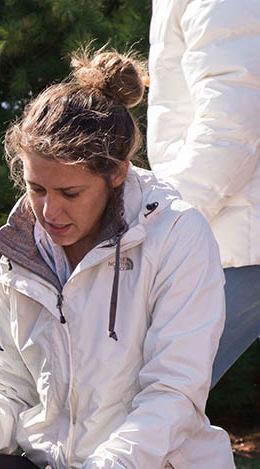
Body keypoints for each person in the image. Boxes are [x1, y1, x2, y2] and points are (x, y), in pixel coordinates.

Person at [0, 49, 236, 469]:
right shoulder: (11, 250)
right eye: (36, 188)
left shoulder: (179, 235)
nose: (48, 211)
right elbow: (9, 389)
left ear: (116, 174)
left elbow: (173, 394)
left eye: (69, 194)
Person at [147, 0, 260, 385]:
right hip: (231, 237)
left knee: (148, 400)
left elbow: (230, 126)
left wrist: (163, 223)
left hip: (235, 245)